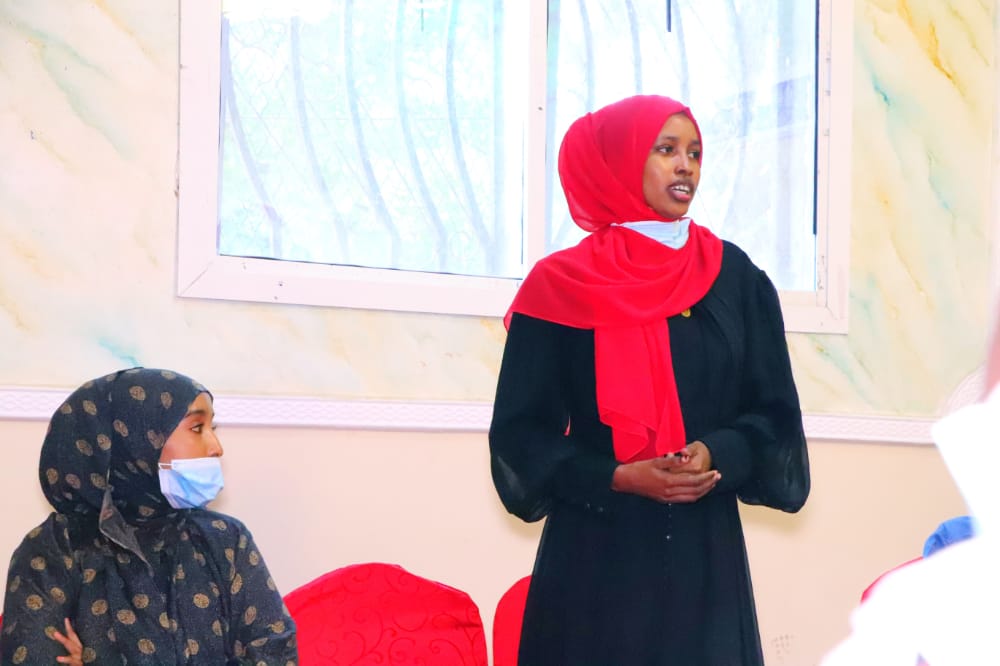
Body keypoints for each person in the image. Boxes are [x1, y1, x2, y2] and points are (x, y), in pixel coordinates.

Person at [489, 95, 810, 665]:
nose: (686, 165)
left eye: (693, 152)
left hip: (703, 561)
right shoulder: (558, 286)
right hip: (590, 565)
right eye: (666, 150)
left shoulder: (732, 278)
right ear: (619, 162)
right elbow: (520, 438)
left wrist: (716, 451)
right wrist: (616, 476)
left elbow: (774, 415)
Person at [1, 367, 297, 665]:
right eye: (197, 428)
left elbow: (275, 654)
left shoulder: (226, 539)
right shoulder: (56, 548)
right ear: (138, 438)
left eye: (213, 429)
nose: (215, 448)